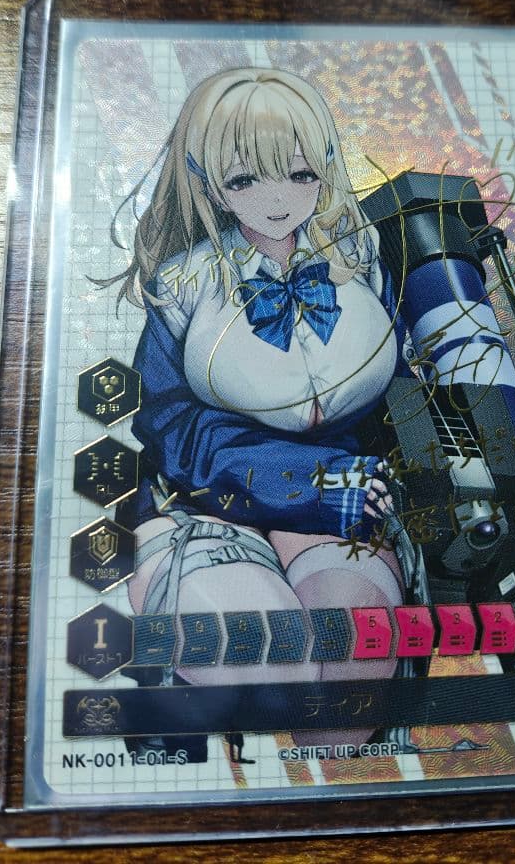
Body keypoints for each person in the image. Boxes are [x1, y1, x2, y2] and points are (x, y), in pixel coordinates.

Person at [113, 67, 415, 746]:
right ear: (207, 180)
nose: (277, 200)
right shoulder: (185, 284)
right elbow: (169, 425)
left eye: (300, 174)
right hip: (204, 499)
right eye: (246, 180)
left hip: (342, 499)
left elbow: (398, 388)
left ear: (325, 166)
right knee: (270, 664)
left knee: (347, 690)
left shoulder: (361, 256)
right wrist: (309, 481)